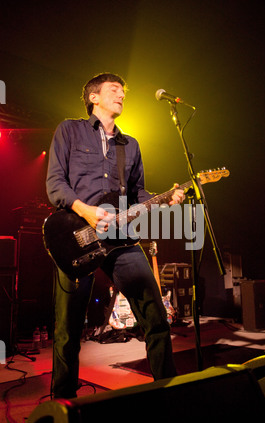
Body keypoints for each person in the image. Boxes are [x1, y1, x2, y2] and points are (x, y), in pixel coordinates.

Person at [46, 72, 185, 399]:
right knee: (67, 330)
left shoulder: (131, 145)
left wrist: (167, 198)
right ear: (94, 97)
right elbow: (55, 185)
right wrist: (87, 211)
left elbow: (138, 194)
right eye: (114, 90)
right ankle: (63, 404)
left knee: (156, 318)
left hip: (122, 238)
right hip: (76, 235)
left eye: (123, 91)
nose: (121, 94)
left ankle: (170, 393)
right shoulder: (69, 130)